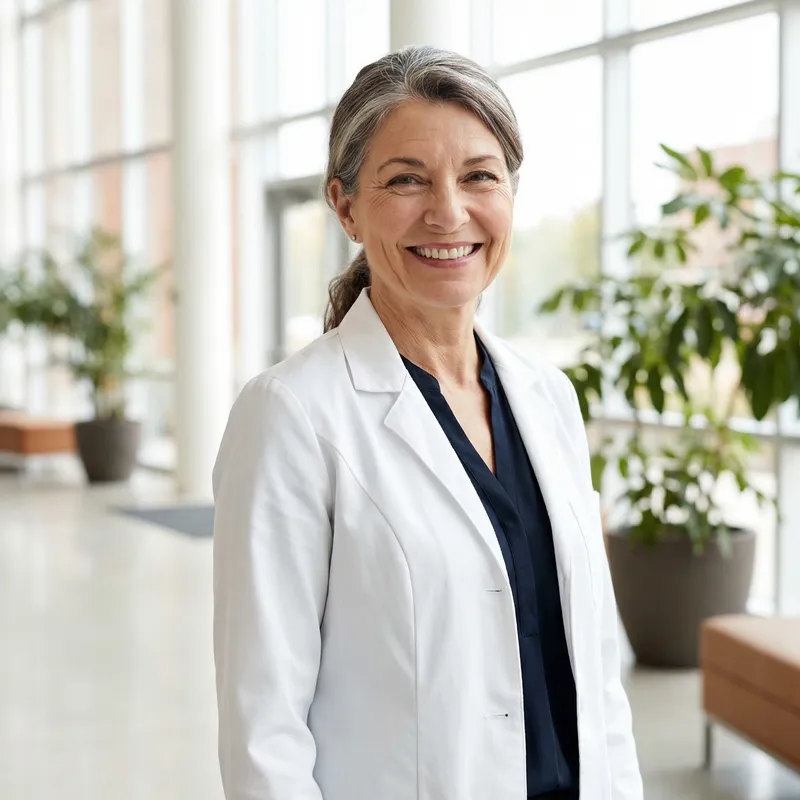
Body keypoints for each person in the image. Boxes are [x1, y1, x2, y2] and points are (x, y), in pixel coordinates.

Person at [212, 45, 643, 800]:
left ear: (511, 194)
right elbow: (263, 729)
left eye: (479, 176)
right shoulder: (290, 415)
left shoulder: (549, 398)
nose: (448, 212)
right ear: (346, 206)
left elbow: (598, 675)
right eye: (407, 180)